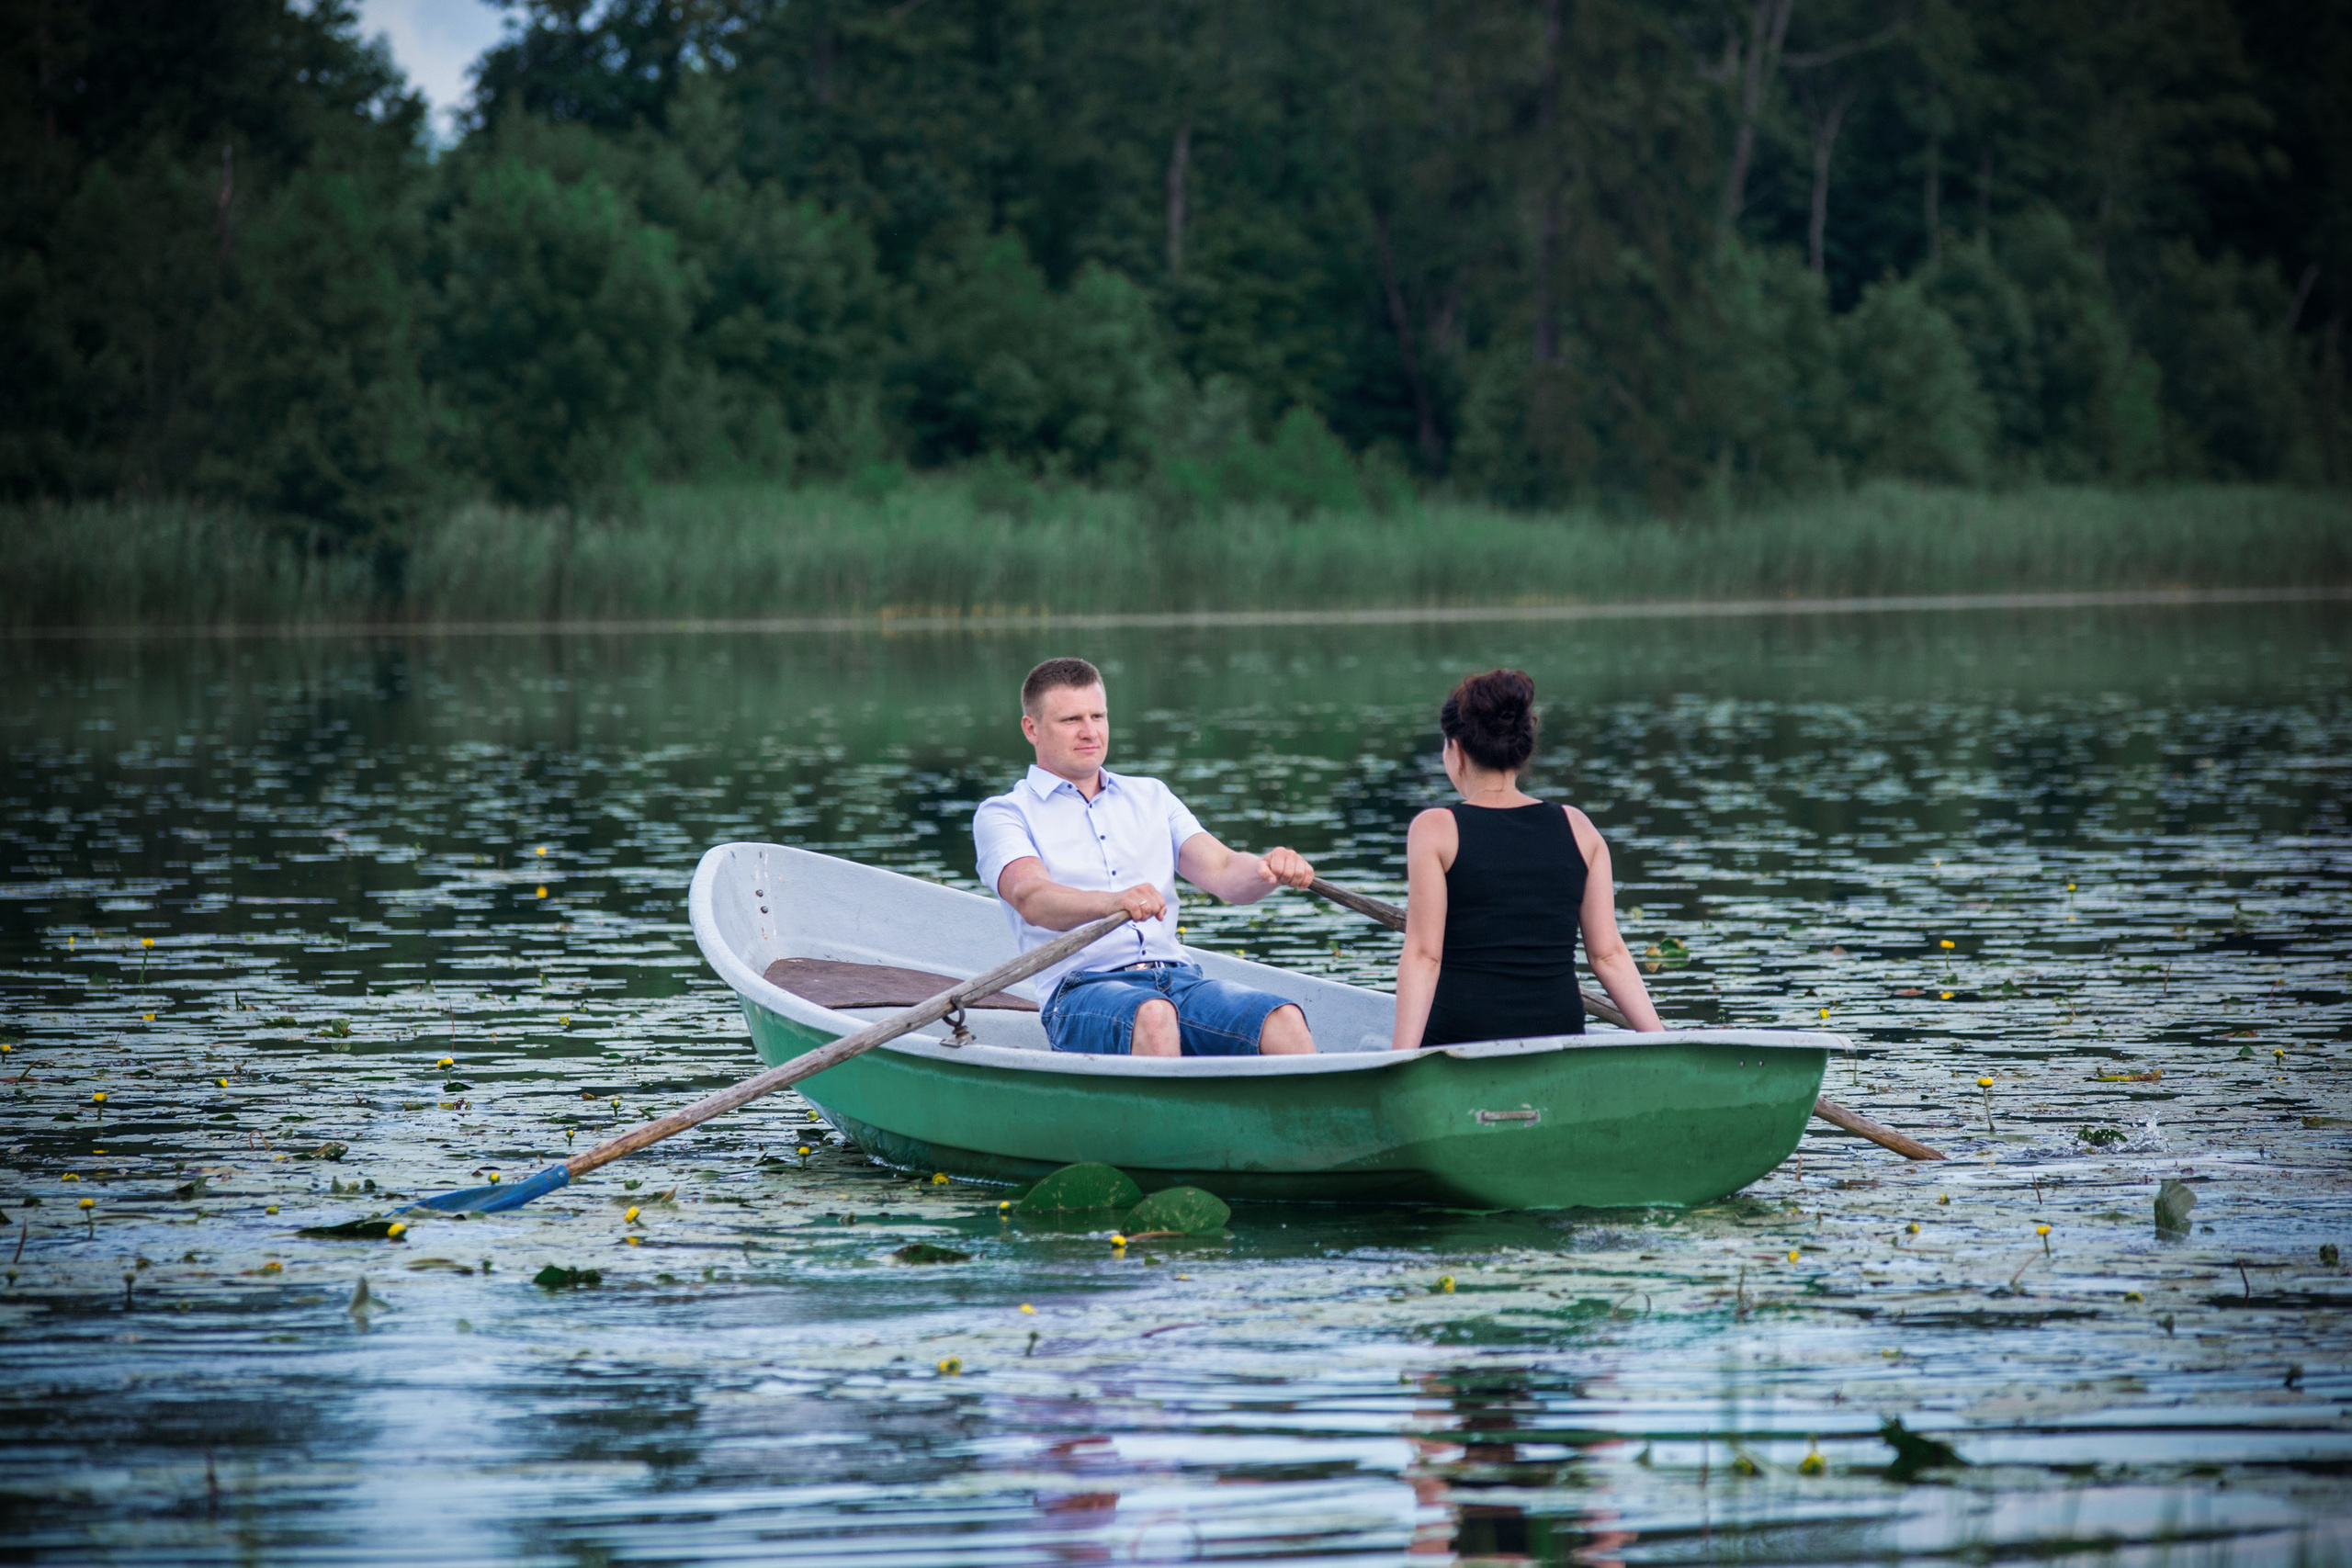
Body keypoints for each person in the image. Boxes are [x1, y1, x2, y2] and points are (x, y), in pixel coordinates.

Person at [974, 657, 1319, 1057]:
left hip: (1179, 981)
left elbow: (1225, 871)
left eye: (1098, 716)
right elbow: (1032, 898)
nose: (1090, 732)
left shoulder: (1152, 795)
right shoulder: (1005, 813)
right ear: (1031, 728)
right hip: (1080, 992)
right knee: (1154, 1015)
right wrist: (1113, 902)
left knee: (1283, 1018)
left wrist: (1267, 869)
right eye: (1071, 720)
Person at [1390, 669, 1664, 1050]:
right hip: (1559, 1034)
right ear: (1521, 750)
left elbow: (1424, 957)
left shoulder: (1435, 829)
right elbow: (1607, 954)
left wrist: (1401, 1061)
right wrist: (1664, 1041)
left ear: (1458, 751)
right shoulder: (1578, 827)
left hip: (1464, 1036)